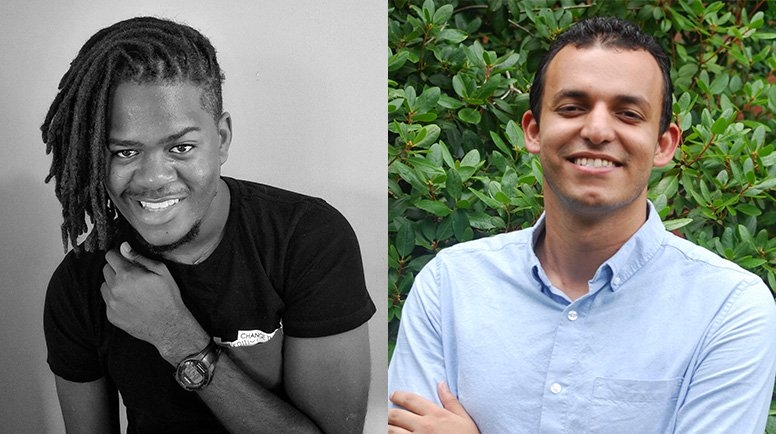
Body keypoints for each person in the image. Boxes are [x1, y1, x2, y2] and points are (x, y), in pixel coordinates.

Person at [387, 16, 776, 434]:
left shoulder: (730, 308)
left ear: (664, 145)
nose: (596, 130)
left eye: (628, 113)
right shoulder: (449, 286)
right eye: (572, 108)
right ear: (533, 131)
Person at [41, 16, 376, 433]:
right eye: (124, 153)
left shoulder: (307, 240)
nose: (153, 178)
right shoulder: (81, 282)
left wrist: (177, 338)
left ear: (222, 139)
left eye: (180, 147)